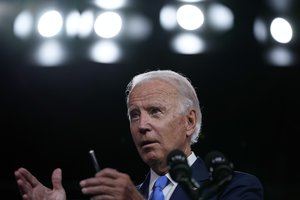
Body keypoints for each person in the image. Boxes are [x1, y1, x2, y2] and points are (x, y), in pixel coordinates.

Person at [14, 69, 264, 200]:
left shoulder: (234, 188)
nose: (141, 125)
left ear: (189, 121)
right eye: (134, 115)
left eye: (155, 111)